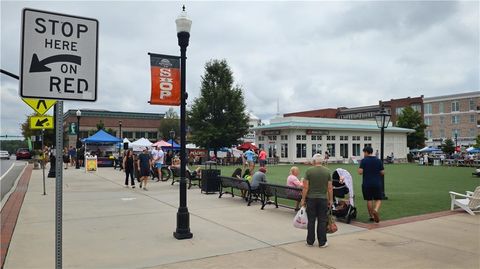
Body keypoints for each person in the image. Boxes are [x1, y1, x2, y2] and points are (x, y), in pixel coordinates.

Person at [300, 154, 333, 248]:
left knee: (311, 220)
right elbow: (330, 188)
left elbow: (305, 187)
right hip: (323, 199)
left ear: (314, 161)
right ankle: (322, 242)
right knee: (322, 220)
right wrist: (330, 200)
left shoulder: (309, 171)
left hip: (311, 199)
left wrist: (303, 199)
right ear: (322, 161)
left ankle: (310, 241)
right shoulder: (327, 171)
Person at [358, 146, 384, 223]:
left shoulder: (364, 161)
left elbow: (360, 172)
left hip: (366, 183)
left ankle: (371, 216)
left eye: (364, 152)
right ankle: (376, 210)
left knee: (369, 200)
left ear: (366, 152)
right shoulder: (378, 160)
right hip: (377, 183)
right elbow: (382, 172)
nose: (363, 154)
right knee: (378, 199)